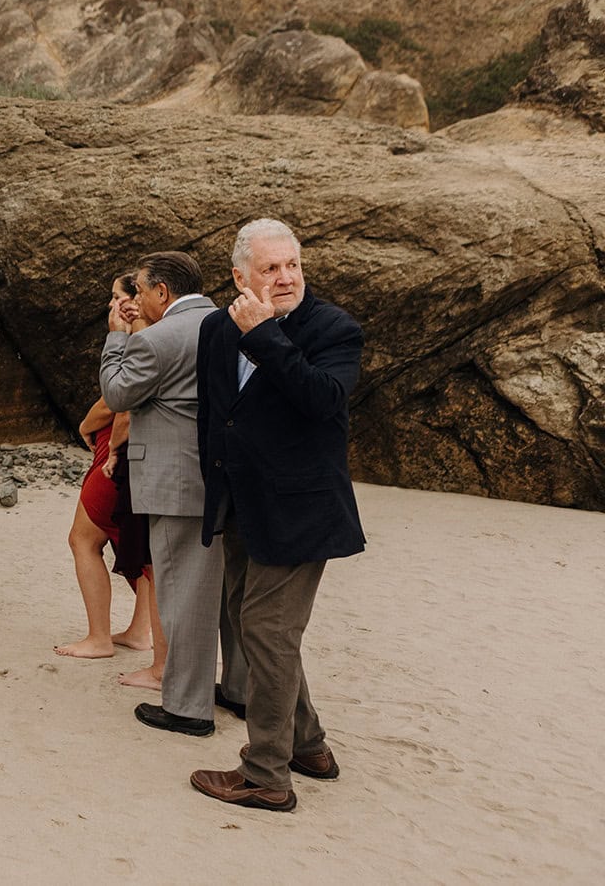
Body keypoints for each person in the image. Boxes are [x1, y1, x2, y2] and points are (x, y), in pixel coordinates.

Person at [189, 219, 365, 813]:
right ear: (240, 276)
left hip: (301, 512)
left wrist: (265, 334)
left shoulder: (333, 328)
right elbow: (215, 416)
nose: (286, 277)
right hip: (240, 503)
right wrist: (212, 490)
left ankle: (266, 773)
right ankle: (308, 746)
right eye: (270, 268)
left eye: (293, 264)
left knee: (266, 629)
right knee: (253, 624)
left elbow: (323, 401)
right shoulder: (215, 328)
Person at [100, 250, 222, 737]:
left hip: (175, 482)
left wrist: (117, 338)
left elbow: (117, 395)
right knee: (220, 596)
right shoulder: (225, 323)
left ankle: (188, 707)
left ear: (162, 293)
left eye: (144, 291)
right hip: (217, 478)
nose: (139, 300)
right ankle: (232, 688)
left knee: (180, 597)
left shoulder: (159, 337)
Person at [55, 273, 156, 661]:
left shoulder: (137, 335)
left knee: (83, 539)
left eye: (116, 297)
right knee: (140, 547)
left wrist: (86, 427)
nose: (110, 305)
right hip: (128, 451)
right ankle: (139, 631)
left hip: (117, 454)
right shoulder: (151, 330)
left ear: (134, 300)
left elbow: (118, 402)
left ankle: (98, 637)